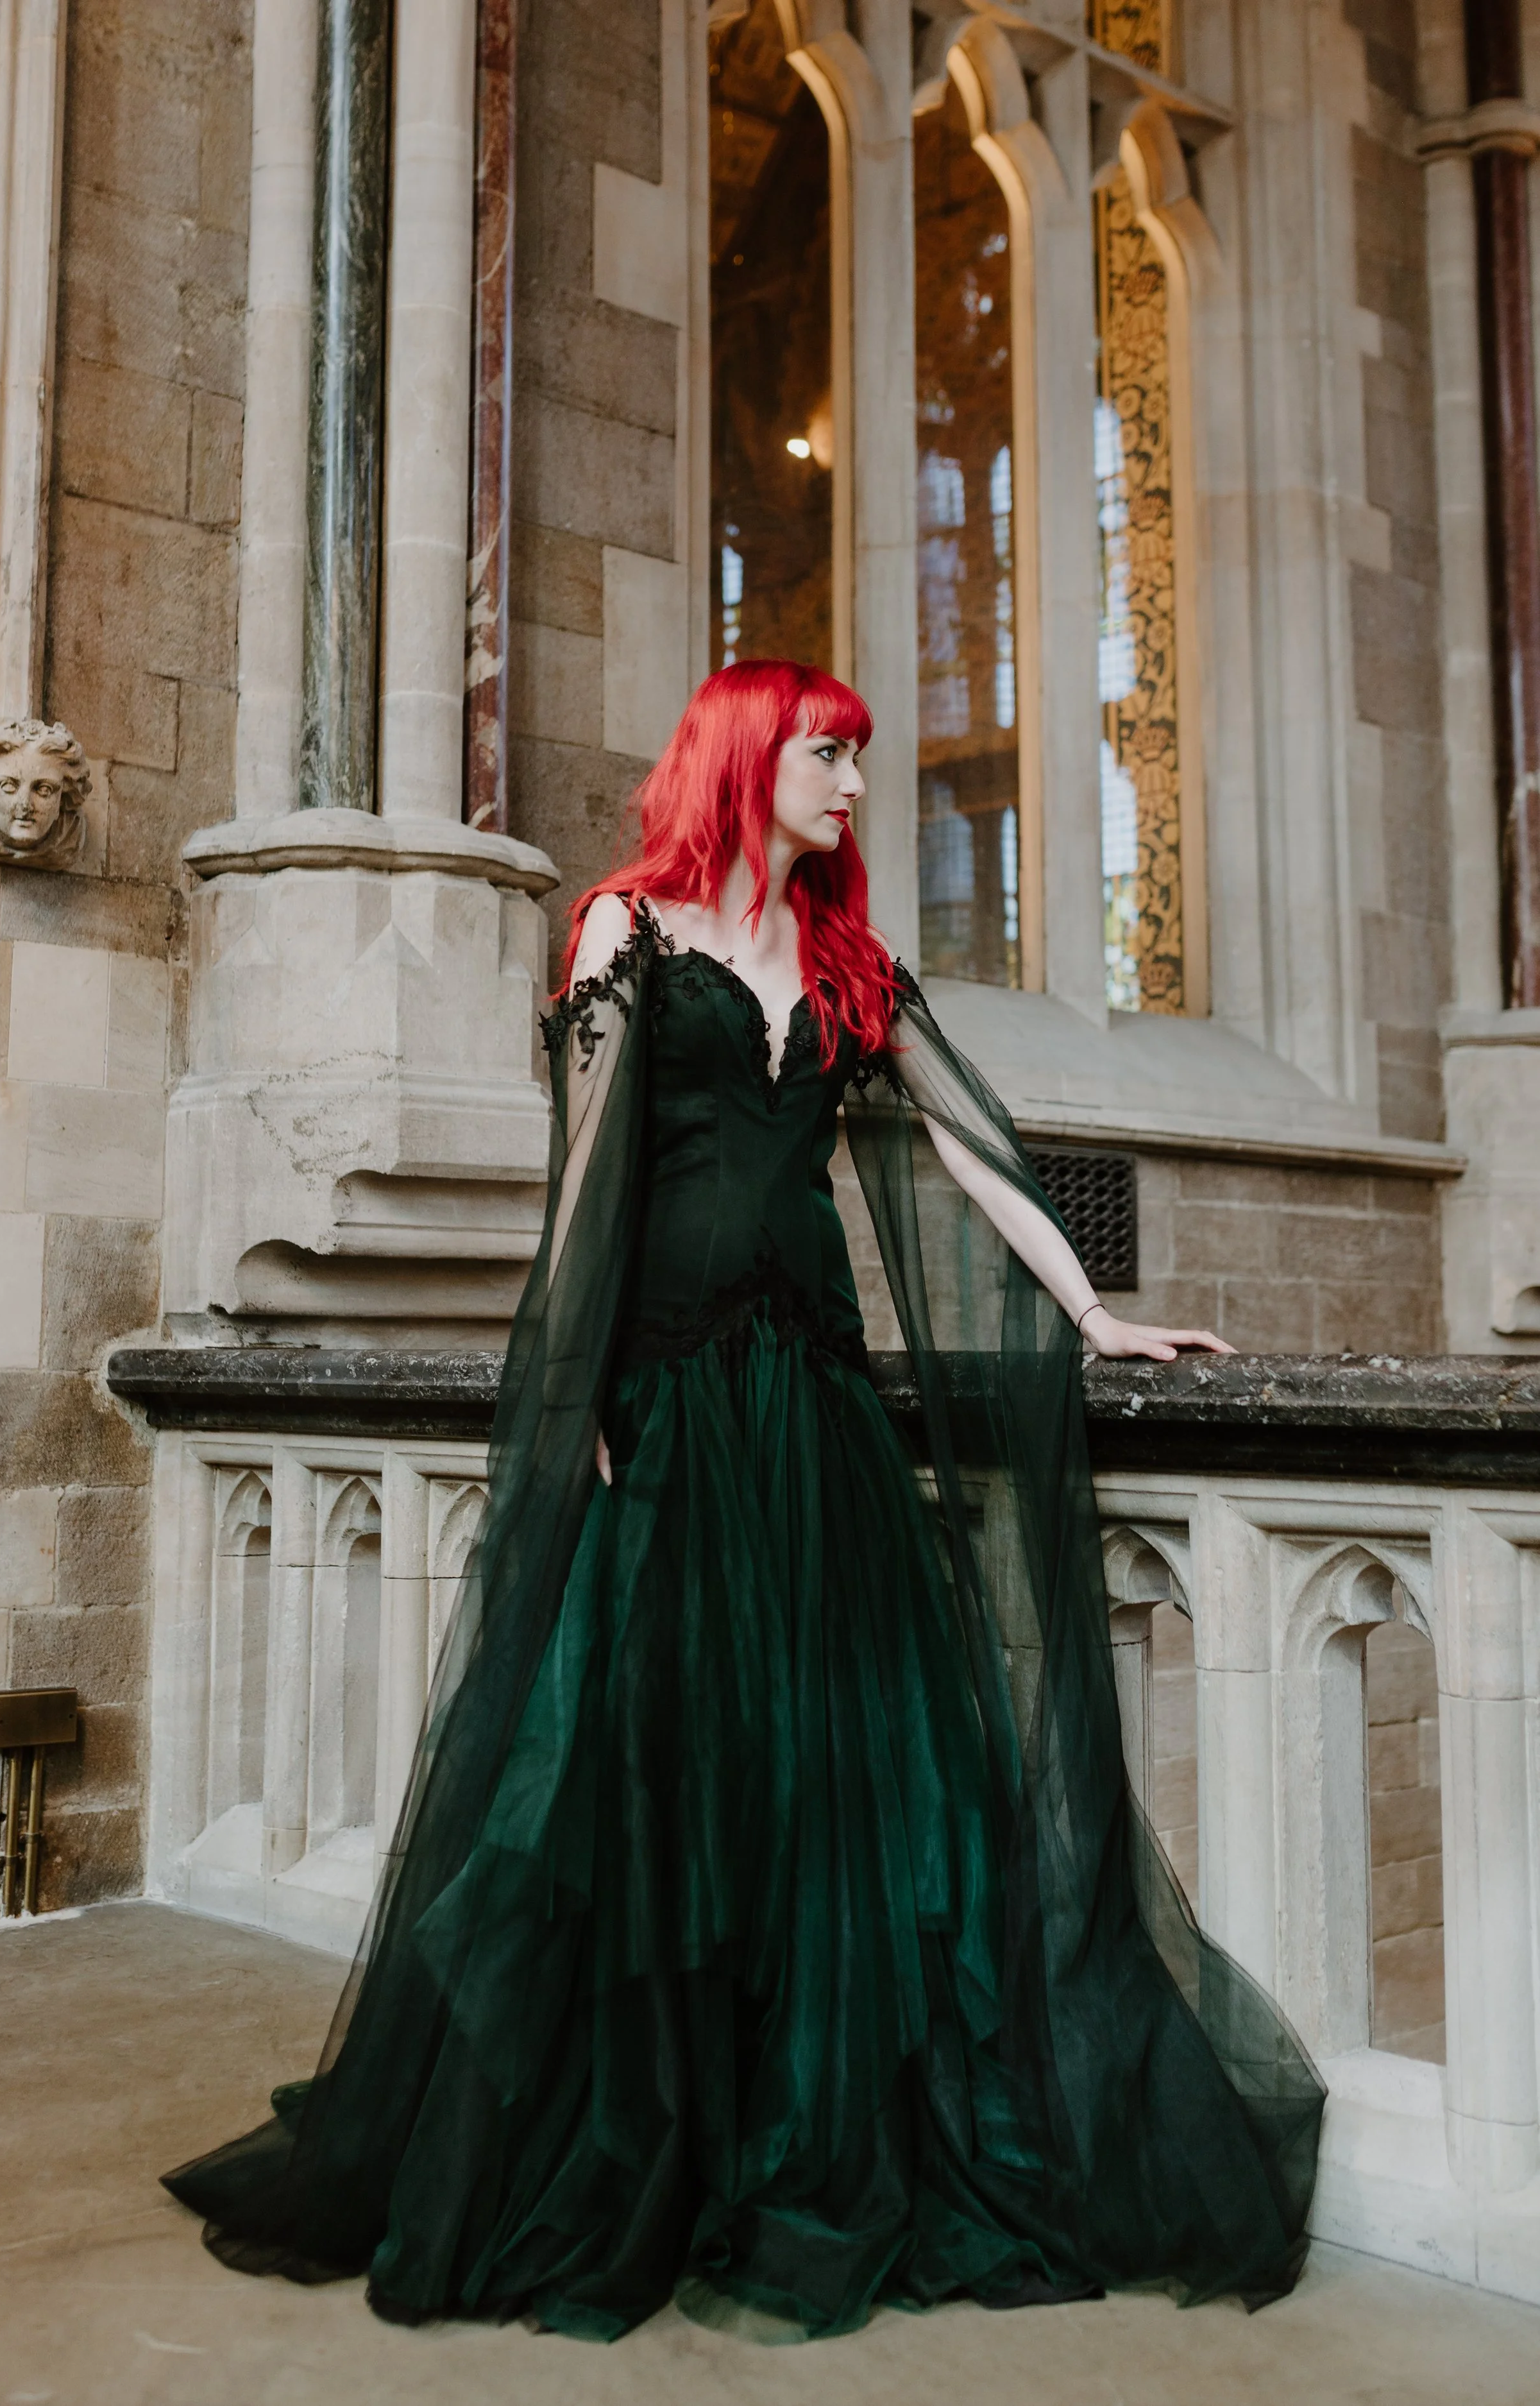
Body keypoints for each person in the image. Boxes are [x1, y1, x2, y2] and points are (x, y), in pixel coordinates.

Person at [164, 660, 1323, 2341]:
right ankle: (650, 2135)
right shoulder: (622, 930)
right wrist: (576, 1401)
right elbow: (586, 1182)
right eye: (827, 752)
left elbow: (977, 1153)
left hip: (817, 1403)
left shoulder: (850, 963)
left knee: (834, 1768)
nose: (854, 782)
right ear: (742, 756)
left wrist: (1089, 1312)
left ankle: (803, 2123)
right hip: (672, 1403)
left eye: (857, 756)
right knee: (649, 1775)